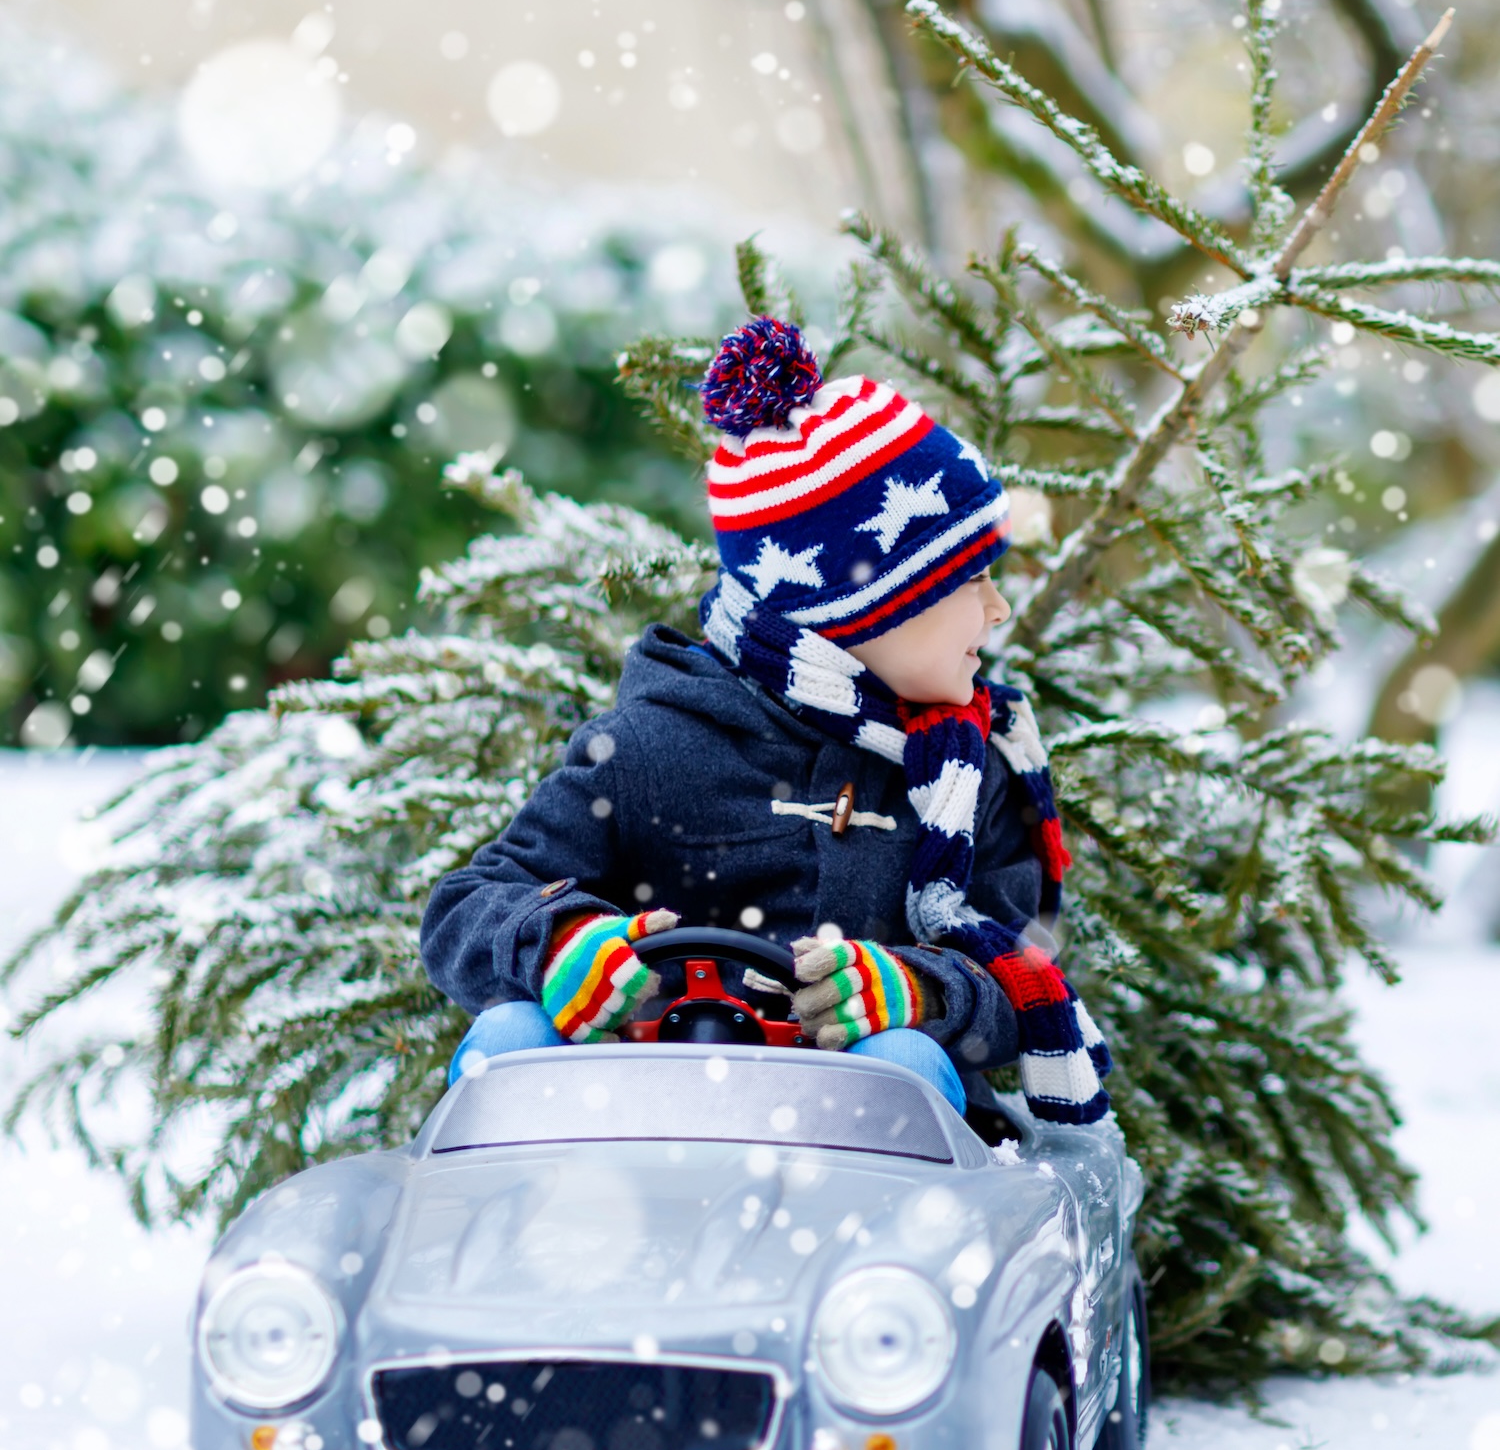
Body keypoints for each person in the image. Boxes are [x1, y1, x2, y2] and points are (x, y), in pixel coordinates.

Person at [420, 318, 1111, 1124]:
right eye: (972, 581)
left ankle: (891, 1169)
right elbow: (467, 904)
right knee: (510, 1039)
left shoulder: (966, 770)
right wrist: (557, 942)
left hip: (855, 1156)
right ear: (866, 609)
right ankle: (508, 1190)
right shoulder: (654, 746)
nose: (998, 610)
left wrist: (919, 991)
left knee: (902, 1066)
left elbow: (1020, 976)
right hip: (635, 1125)